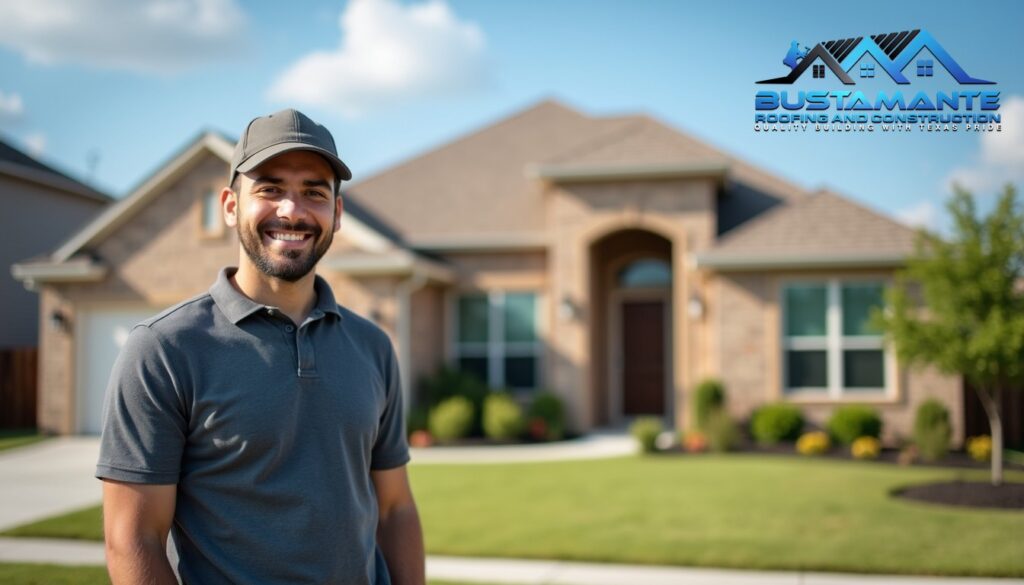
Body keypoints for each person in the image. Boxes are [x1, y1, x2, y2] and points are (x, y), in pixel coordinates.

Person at [97, 109, 425, 585]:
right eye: (270, 189)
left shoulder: (372, 346)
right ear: (231, 205)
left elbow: (395, 508)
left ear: (336, 212)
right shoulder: (164, 349)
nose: (292, 211)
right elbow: (132, 539)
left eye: (313, 192)